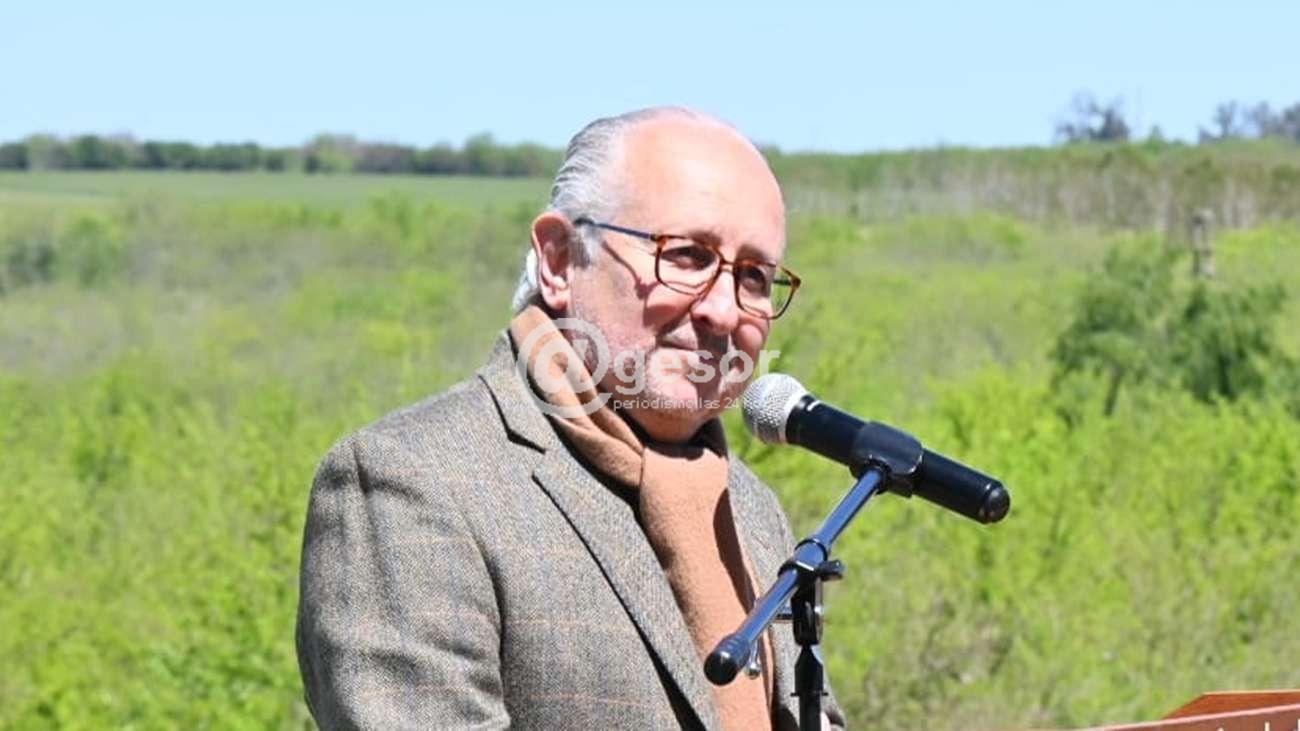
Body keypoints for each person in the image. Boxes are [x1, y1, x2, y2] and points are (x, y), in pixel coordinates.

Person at [295, 106, 847, 730]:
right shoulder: (410, 484)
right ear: (559, 260)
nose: (723, 310)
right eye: (687, 256)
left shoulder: (747, 506)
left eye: (754, 277)